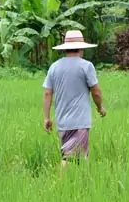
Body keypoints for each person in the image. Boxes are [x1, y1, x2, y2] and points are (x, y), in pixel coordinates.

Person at [43, 30, 106, 167]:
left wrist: (47, 118)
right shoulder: (86, 66)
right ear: (81, 47)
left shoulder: (54, 67)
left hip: (62, 122)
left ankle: (79, 185)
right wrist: (100, 107)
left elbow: (48, 93)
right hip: (79, 122)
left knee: (79, 157)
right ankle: (61, 185)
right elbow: (96, 92)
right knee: (70, 158)